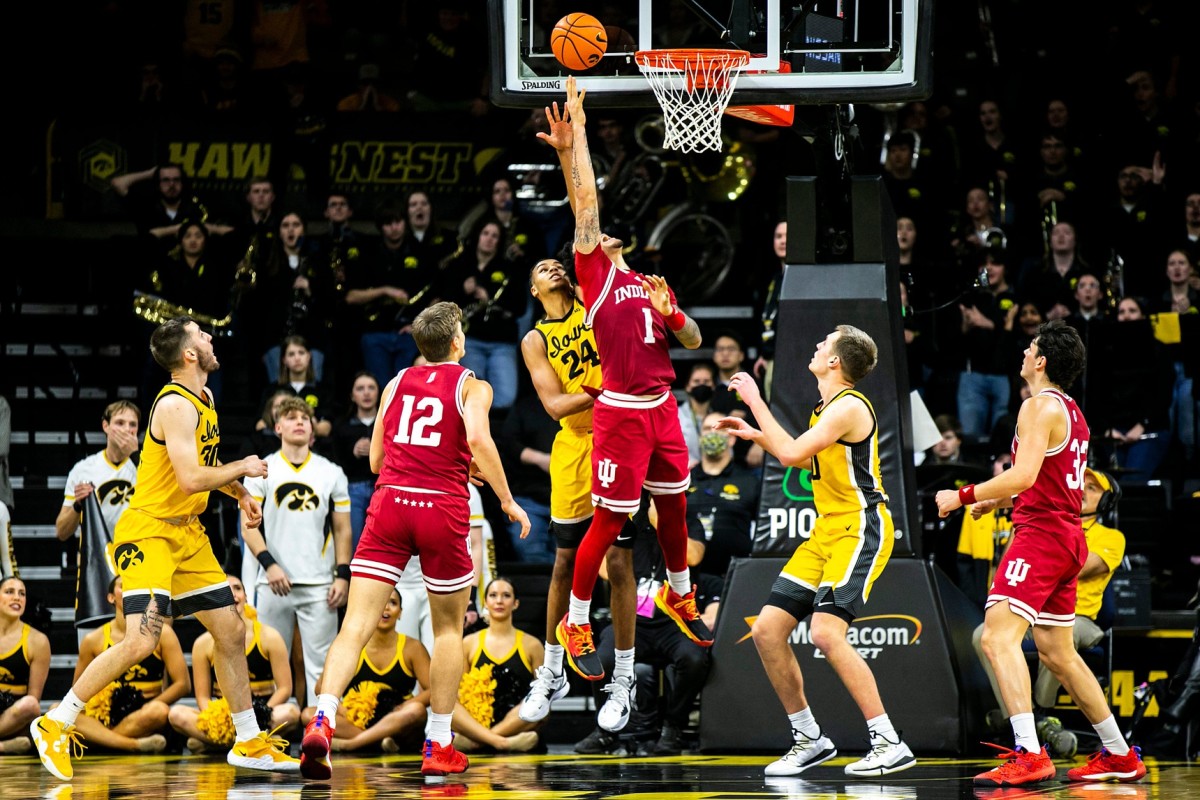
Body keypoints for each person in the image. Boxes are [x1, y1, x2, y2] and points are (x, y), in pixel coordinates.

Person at [30, 316, 298, 781]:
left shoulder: (206, 398)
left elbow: (204, 468)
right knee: (141, 639)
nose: (211, 338)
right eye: (202, 335)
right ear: (189, 354)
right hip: (149, 531)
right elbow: (193, 477)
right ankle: (56, 721)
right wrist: (247, 467)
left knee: (231, 630)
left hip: (187, 533)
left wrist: (242, 494)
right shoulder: (174, 406)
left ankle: (249, 739)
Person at [297, 301, 530, 782]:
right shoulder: (473, 385)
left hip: (391, 504)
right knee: (447, 632)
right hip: (441, 508)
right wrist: (506, 498)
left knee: (355, 625)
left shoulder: (396, 382)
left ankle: (321, 716)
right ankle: (438, 742)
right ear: (458, 342)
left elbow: (377, 461)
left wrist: (442, 460)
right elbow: (481, 442)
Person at [538, 78, 710, 692]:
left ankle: (680, 596)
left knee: (677, 507)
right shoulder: (594, 275)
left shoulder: (644, 281)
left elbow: (691, 342)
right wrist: (575, 139)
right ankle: (577, 625)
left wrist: (675, 314)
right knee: (609, 526)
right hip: (620, 412)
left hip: (663, 405)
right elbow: (585, 199)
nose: (608, 233)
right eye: (600, 233)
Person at [935, 320, 1146, 785]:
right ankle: (1118, 753)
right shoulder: (1072, 411)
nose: (1024, 353)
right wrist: (996, 499)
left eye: (1030, 347)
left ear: (1042, 360)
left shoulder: (1037, 406)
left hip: (1042, 537)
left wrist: (965, 494)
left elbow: (1026, 475)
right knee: (1057, 652)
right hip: (1067, 534)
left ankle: (1029, 753)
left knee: (996, 639)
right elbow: (1046, 481)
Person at [716, 326, 917, 777]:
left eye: (823, 343)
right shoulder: (826, 409)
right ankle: (808, 737)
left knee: (826, 633)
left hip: (860, 528)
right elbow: (806, 458)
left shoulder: (849, 406)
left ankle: (889, 741)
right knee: (768, 631)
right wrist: (755, 434)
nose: (816, 345)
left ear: (835, 363)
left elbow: (789, 456)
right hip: (827, 530)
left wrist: (754, 399)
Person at [515, 257, 637, 732]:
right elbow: (555, 404)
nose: (551, 268)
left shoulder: (593, 306)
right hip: (572, 446)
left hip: (617, 438)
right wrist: (605, 385)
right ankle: (551, 670)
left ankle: (623, 679)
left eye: (555, 264)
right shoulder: (535, 339)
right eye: (540, 268)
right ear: (532, 289)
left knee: (621, 564)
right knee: (564, 562)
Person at [971, 467, 1126, 758]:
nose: (1082, 489)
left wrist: (1041, 541)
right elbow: (1006, 575)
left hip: (1083, 618)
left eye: (1093, 489)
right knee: (985, 633)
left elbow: (1074, 566)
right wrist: (1023, 533)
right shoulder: (1040, 528)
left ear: (1106, 502)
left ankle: (1040, 714)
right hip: (1033, 610)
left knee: (1056, 639)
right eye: (1081, 482)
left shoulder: (1112, 537)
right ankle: (1030, 722)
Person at [240, 396, 351, 708]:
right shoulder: (261, 470)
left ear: (313, 429)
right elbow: (248, 526)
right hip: (273, 582)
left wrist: (343, 575)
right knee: (273, 664)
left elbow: (343, 529)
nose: (299, 421)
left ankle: (322, 728)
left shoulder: (332, 472)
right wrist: (269, 565)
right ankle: (277, 729)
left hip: (320, 584)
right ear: (277, 427)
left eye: (305, 417)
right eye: (290, 417)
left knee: (322, 665)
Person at [169, 574, 300, 753]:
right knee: (177, 715)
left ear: (246, 597)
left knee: (291, 713)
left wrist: (260, 714)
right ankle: (260, 741)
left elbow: (285, 688)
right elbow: (203, 697)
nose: (232, 594)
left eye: (237, 588)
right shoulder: (203, 643)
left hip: (263, 713)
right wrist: (220, 720)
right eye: (225, 590)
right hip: (225, 715)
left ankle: (216, 743)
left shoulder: (270, 637)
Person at [68, 577, 188, 753]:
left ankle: (100, 742)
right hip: (104, 714)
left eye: (138, 587)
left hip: (143, 713)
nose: (132, 592)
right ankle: (131, 745)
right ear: (111, 598)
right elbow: (77, 690)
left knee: (159, 711)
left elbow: (183, 684)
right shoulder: (93, 640)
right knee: (57, 710)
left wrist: (151, 704)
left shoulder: (163, 634)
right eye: (125, 587)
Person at [56, 401, 141, 641]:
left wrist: (137, 455)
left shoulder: (146, 466)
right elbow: (61, 531)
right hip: (96, 568)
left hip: (138, 563)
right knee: (91, 645)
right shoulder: (84, 469)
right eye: (120, 423)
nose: (126, 430)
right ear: (105, 426)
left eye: (133, 425)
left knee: (149, 646)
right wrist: (76, 505)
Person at [453, 578, 542, 752]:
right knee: (446, 704)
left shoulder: (532, 645)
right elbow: (458, 690)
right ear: (485, 602)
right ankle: (502, 743)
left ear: (515, 603)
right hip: (476, 718)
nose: (499, 601)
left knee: (539, 705)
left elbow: (543, 692)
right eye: (493, 595)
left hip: (514, 720)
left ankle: (477, 743)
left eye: (506, 595)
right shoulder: (468, 643)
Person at [685, 412, 759, 580]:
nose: (712, 433)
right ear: (699, 437)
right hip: (688, 576)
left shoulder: (749, 481)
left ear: (732, 438)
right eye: (706, 429)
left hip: (735, 577)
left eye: (719, 429)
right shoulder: (683, 481)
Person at [0, 577, 50, 755]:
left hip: (13, 716)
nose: (17, 598)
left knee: (30, 705)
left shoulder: (38, 640)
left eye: (22, 594)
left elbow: (33, 700)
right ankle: (4, 747)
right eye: (9, 592)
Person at [331, 372, 380, 549]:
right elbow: (335, 462)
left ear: (378, 393)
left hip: (382, 488)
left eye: (371, 388)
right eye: (360, 389)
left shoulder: (390, 422)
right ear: (352, 395)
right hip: (352, 487)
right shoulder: (341, 426)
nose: (366, 393)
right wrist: (352, 451)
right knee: (353, 544)